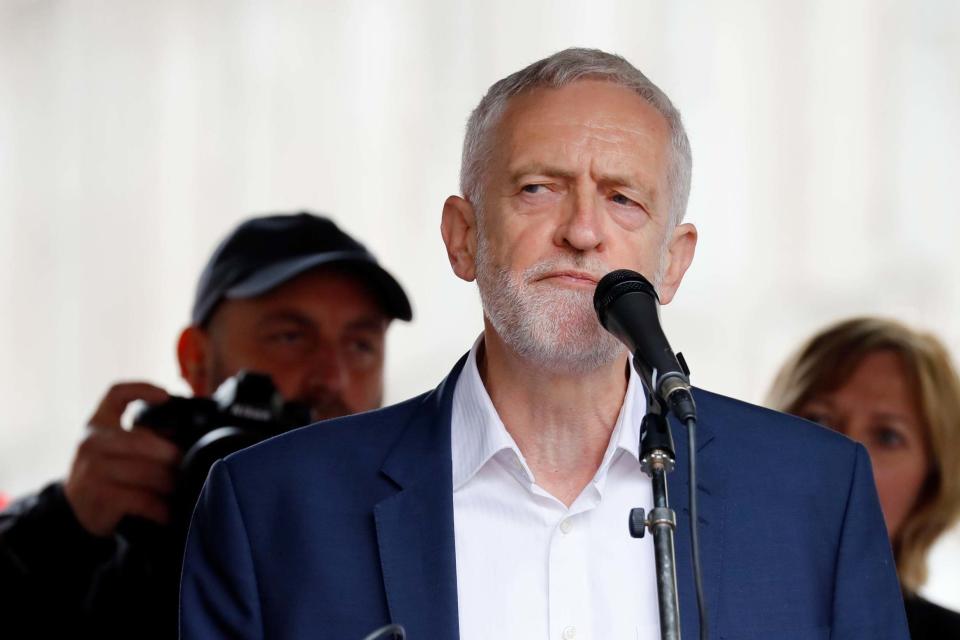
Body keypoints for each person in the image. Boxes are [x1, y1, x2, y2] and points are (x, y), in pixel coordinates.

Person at [180, 48, 909, 639]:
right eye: (538, 189)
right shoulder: (271, 506)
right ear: (463, 238)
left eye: (623, 198)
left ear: (674, 261)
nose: (583, 230)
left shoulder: (816, 494)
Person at [0, 212, 412, 638]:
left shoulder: (420, 533)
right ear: (195, 358)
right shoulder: (125, 526)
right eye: (290, 337)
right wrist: (64, 524)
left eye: (361, 346)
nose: (332, 378)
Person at [767, 316, 960, 639]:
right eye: (819, 420)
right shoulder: (678, 609)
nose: (844, 455)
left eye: (887, 436)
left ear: (930, 485)